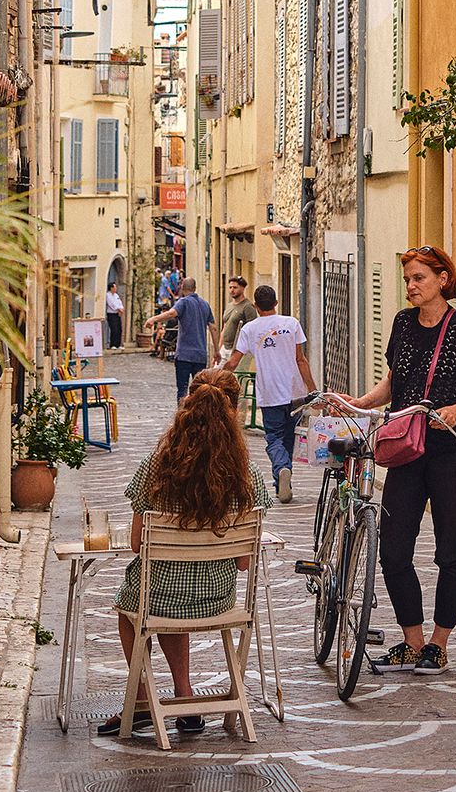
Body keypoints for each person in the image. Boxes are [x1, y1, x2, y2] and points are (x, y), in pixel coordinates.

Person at [340, 245, 456, 675]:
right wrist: (362, 401)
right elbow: (396, 380)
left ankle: (439, 642)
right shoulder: (402, 324)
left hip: (454, 451)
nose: (411, 286)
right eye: (409, 279)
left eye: (419, 278)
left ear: (442, 280)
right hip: (407, 449)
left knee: (450, 549)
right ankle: (412, 641)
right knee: (393, 549)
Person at [97, 368, 273, 737]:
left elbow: (136, 544)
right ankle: (185, 694)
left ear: (186, 406)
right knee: (175, 598)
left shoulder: (156, 468)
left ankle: (144, 698)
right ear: (235, 412)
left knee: (134, 608)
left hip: (157, 596)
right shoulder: (249, 477)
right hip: (217, 602)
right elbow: (244, 563)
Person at [221, 284, 316, 504]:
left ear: (255, 306)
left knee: (274, 437)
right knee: (288, 438)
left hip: (271, 392)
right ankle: (283, 480)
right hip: (295, 393)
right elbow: (300, 360)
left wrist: (218, 379)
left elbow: (233, 362)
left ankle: (282, 471)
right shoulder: (291, 324)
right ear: (276, 303)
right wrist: (312, 390)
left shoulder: (250, 329)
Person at [144, 278, 220, 400]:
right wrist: (216, 351)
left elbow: (171, 314)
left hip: (184, 355)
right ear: (195, 288)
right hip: (200, 355)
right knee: (199, 391)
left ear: (182, 288)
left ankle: (182, 417)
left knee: (183, 390)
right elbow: (213, 328)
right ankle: (198, 417)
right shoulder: (205, 305)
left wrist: (153, 319)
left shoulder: (183, 302)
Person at [219, 275, 258, 364]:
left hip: (238, 350)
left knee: (236, 376)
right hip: (225, 348)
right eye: (230, 287)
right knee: (218, 374)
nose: (232, 290)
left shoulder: (247, 307)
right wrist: (219, 348)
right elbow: (225, 327)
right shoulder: (229, 305)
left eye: (235, 287)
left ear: (242, 288)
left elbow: (252, 329)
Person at [105, 281, 124, 350]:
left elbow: (119, 302)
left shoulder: (116, 295)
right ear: (111, 288)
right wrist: (118, 309)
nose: (116, 288)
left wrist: (121, 308)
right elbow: (111, 304)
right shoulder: (108, 295)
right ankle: (112, 344)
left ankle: (118, 344)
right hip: (111, 314)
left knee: (119, 329)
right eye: (115, 287)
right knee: (114, 329)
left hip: (117, 314)